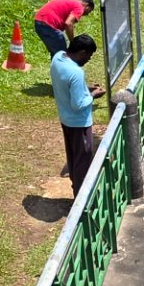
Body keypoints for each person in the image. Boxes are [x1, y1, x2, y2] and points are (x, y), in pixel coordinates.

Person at [51, 33, 104, 195]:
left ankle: (77, 187)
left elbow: (65, 84)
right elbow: (79, 105)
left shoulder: (58, 58)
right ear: (82, 52)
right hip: (79, 123)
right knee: (83, 160)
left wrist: (84, 88)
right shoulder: (76, 73)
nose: (88, 59)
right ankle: (82, 198)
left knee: (73, 157)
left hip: (65, 119)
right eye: (89, 56)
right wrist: (93, 95)